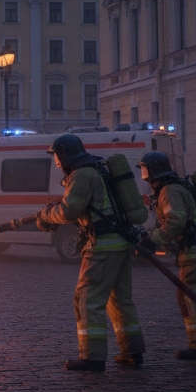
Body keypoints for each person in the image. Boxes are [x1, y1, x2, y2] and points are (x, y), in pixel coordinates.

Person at [37, 134, 145, 372]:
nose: (55, 160)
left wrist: (46, 216)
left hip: (102, 247)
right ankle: (132, 351)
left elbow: (69, 211)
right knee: (120, 300)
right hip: (120, 243)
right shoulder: (97, 170)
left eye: (56, 155)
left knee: (87, 300)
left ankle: (92, 357)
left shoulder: (81, 175)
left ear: (63, 155)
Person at [138, 151, 196, 360]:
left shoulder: (169, 191)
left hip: (195, 252)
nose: (145, 177)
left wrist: (154, 239)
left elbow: (175, 221)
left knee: (191, 298)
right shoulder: (179, 185)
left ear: (152, 171)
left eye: (145, 171)